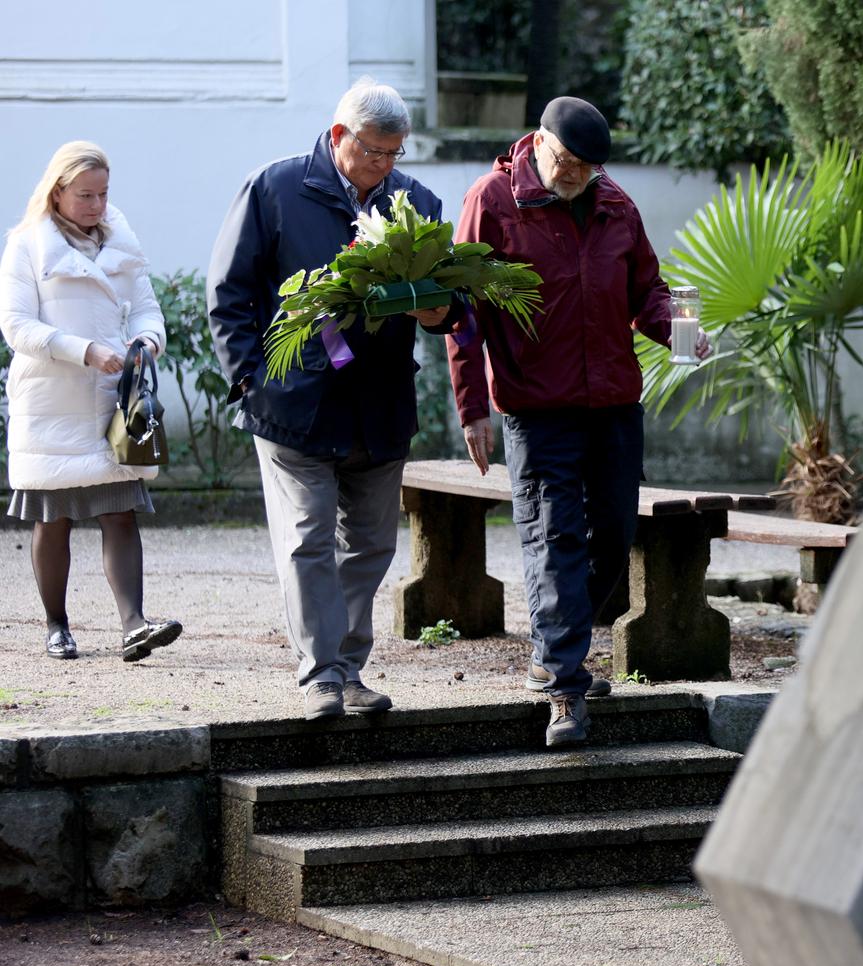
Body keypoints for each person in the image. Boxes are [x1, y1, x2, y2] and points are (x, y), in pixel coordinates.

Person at [447, 96, 708, 748]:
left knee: (614, 537)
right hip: (537, 409)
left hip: (614, 403)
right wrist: (472, 407)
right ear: (539, 141)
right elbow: (463, 312)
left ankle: (553, 648)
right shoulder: (493, 201)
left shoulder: (615, 203)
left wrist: (677, 330)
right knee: (554, 535)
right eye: (566, 162)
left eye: (587, 168)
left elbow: (646, 288)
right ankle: (564, 688)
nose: (575, 177)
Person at [207, 78, 460, 720]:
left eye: (394, 153)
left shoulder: (416, 201)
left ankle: (347, 669)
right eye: (374, 151)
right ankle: (321, 674)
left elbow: (448, 305)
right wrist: (249, 379)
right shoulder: (276, 189)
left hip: (379, 407)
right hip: (294, 403)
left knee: (372, 546)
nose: (383, 165)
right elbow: (229, 292)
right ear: (339, 135)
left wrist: (438, 311)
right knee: (307, 539)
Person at [0, 141, 182, 663]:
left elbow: (147, 310)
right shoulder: (27, 245)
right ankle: (57, 626)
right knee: (53, 517)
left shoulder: (121, 240)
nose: (97, 205)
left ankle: (134, 626)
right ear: (56, 192)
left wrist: (147, 342)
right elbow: (17, 327)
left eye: (103, 193)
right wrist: (83, 351)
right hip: (51, 401)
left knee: (121, 510)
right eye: (85, 195)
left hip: (113, 401)